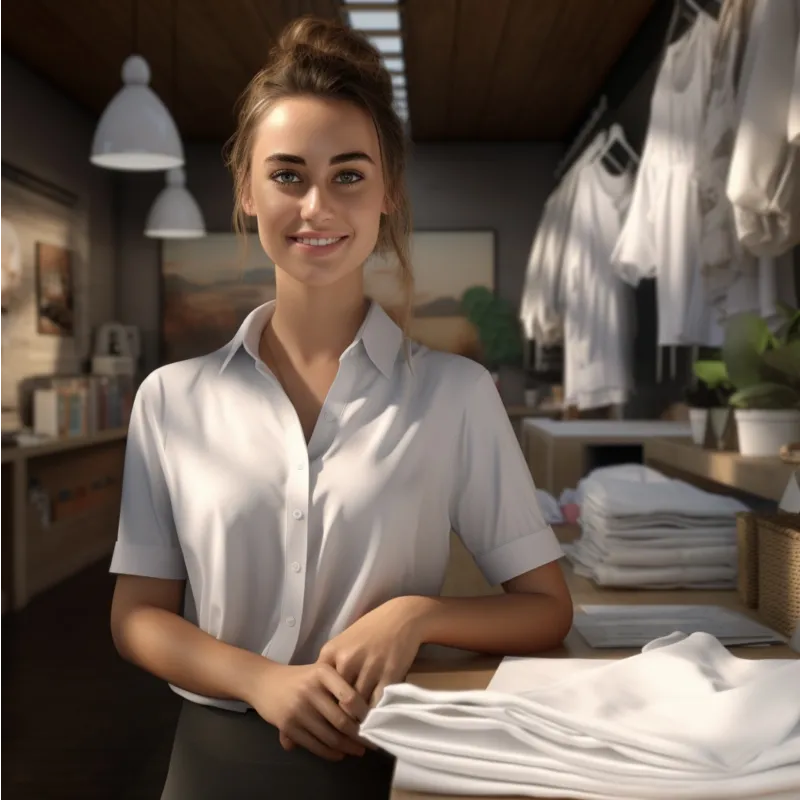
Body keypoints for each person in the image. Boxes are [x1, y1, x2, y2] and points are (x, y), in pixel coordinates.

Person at [108, 14, 573, 800]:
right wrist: (261, 680)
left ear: (387, 192)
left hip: (389, 755)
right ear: (247, 193)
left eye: (348, 175)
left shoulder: (454, 395)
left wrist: (417, 616)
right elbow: (136, 615)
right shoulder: (170, 399)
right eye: (288, 175)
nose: (317, 205)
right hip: (212, 763)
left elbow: (544, 611)